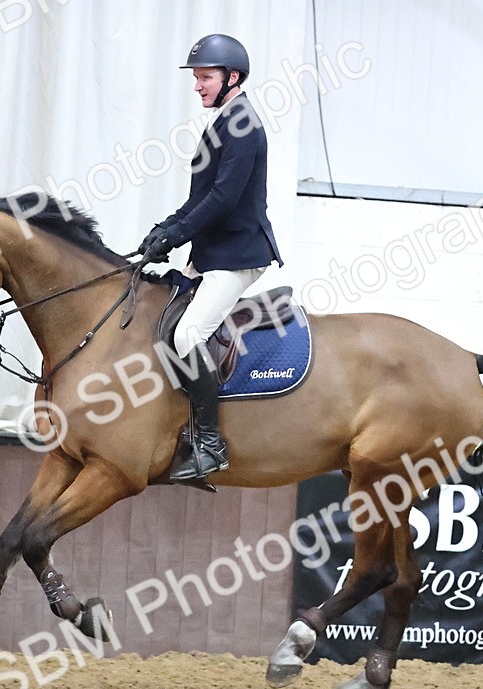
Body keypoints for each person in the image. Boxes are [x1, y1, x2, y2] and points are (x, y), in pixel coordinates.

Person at [139, 33, 283, 483]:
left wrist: (177, 235)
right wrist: (165, 228)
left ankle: (210, 445)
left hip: (237, 254)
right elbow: (199, 197)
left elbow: (223, 199)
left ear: (232, 78)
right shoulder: (221, 121)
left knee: (188, 335)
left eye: (205, 77)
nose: (197, 85)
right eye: (197, 77)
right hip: (213, 251)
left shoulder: (244, 125)